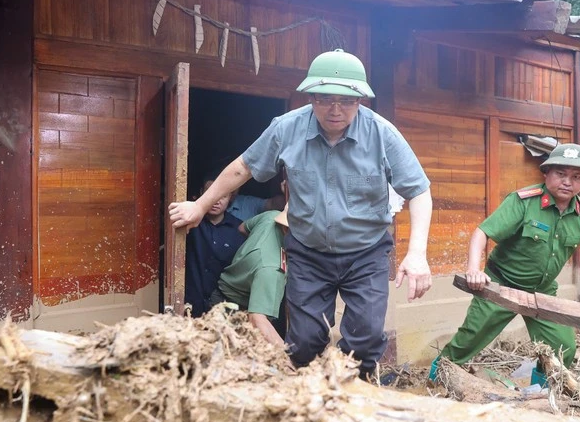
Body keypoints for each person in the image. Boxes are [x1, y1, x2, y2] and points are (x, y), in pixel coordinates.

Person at [169, 49, 433, 379]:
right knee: (304, 343)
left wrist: (417, 253)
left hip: (366, 253)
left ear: (360, 100)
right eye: (325, 99)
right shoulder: (286, 128)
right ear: (310, 97)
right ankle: (312, 395)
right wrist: (200, 205)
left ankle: (349, 393)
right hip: (308, 252)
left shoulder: (382, 135)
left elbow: (419, 191)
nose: (335, 109)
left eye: (346, 100)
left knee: (365, 339)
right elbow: (243, 168)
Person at [430, 143, 580, 383]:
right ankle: (434, 381)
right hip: (501, 284)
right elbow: (482, 233)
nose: (567, 182)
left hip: (543, 291)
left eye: (577, 177)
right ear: (546, 173)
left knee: (563, 348)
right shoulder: (523, 201)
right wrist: (474, 270)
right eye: (561, 174)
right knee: (469, 340)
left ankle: (539, 393)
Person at [210, 206, 290, 348]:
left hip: (220, 297)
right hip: (235, 313)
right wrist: (288, 356)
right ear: (287, 229)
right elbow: (258, 320)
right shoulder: (271, 269)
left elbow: (242, 228)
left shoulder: (270, 216)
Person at [184, 179, 245, 318]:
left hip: (222, 308)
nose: (216, 200)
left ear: (231, 197)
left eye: (223, 195)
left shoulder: (239, 230)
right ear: (202, 194)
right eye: (212, 194)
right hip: (188, 304)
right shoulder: (189, 223)